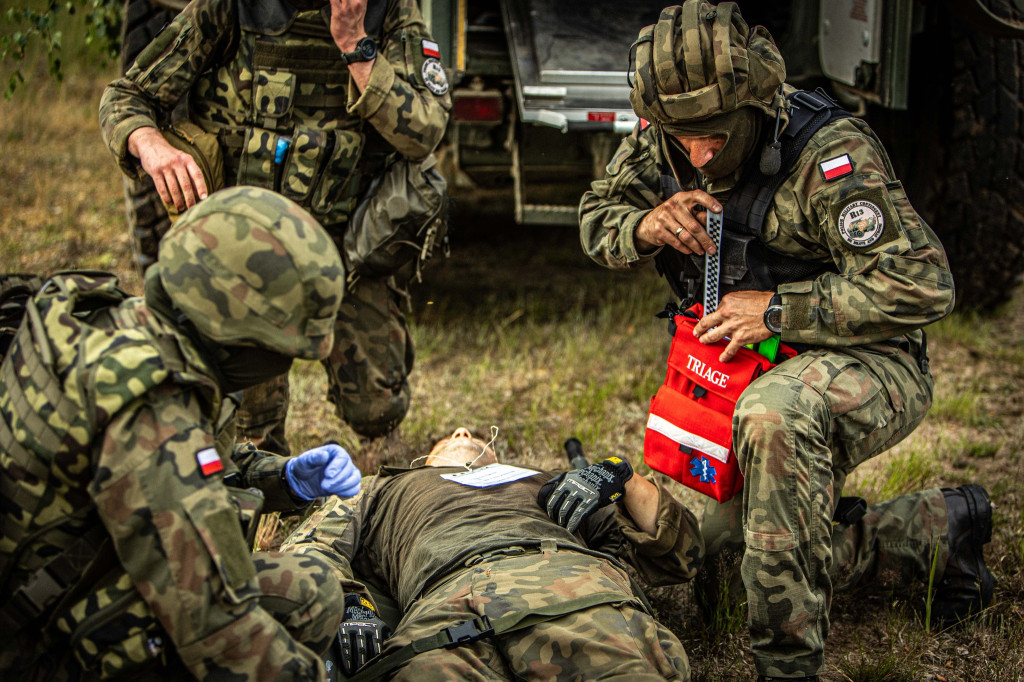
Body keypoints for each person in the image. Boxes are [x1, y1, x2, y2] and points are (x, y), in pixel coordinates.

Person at [578, 3, 993, 680]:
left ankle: (789, 666)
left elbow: (923, 288)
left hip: (870, 362)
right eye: (682, 138)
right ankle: (936, 531)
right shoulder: (667, 133)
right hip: (748, 371)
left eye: (713, 137)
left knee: (777, 416)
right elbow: (596, 217)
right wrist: (644, 226)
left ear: (755, 104)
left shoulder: (828, 154)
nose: (698, 156)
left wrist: (776, 311)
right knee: (724, 573)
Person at [0, 187, 364, 680]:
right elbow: (220, 630)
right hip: (32, 646)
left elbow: (195, 461)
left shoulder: (125, 324)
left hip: (64, 583)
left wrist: (284, 479)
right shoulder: (151, 410)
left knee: (310, 589)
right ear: (230, 330)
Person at [99, 0, 453, 457]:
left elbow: (426, 130)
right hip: (248, 252)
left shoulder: (386, 11)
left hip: (348, 242)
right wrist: (150, 145)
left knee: (376, 411)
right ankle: (260, 476)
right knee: (251, 429)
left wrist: (354, 44)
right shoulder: (234, 7)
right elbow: (127, 95)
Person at [283, 427, 705, 680]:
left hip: (566, 583)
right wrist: (349, 602)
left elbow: (682, 554)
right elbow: (312, 547)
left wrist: (623, 480)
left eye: (477, 435)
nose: (465, 433)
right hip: (442, 605)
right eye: (451, 435)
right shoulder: (382, 487)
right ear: (427, 460)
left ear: (498, 456)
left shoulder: (556, 484)